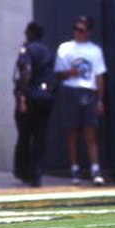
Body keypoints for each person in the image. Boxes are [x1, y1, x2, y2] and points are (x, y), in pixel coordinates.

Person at [54, 16, 107, 186]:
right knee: (72, 133)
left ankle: (95, 169)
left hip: (88, 92)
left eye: (81, 30)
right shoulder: (65, 48)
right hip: (70, 90)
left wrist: (100, 100)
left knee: (90, 132)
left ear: (88, 32)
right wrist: (70, 73)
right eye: (75, 29)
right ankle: (74, 169)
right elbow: (58, 73)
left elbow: (99, 76)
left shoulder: (95, 51)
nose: (77, 33)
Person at [13, 21, 55, 187]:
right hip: (45, 97)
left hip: (31, 96)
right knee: (40, 136)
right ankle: (37, 173)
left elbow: (26, 71)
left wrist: (22, 95)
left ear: (30, 33)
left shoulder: (27, 49)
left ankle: (23, 171)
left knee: (24, 135)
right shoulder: (46, 51)